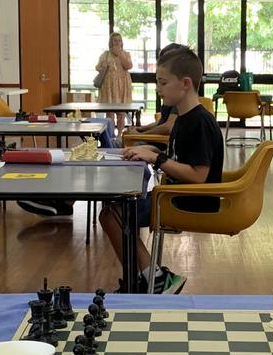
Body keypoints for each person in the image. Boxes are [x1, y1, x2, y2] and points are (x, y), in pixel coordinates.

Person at [98, 44, 223, 294]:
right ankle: (146, 279)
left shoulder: (198, 122)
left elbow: (199, 177)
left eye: (163, 83)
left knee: (113, 213)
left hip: (189, 201)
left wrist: (157, 160)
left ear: (185, 83)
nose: (158, 89)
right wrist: (153, 151)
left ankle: (152, 278)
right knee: (115, 210)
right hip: (176, 196)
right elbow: (182, 159)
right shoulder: (185, 117)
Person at [96, 32, 134, 132]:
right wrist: (103, 68)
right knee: (109, 112)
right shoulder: (105, 54)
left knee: (121, 113)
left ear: (122, 42)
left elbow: (129, 66)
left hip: (122, 86)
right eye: (115, 40)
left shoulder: (125, 54)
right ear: (111, 42)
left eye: (119, 40)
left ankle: (119, 135)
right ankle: (111, 133)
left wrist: (120, 54)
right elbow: (97, 67)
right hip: (109, 86)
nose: (117, 42)